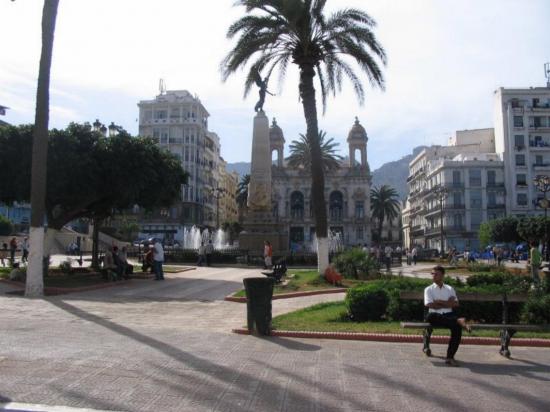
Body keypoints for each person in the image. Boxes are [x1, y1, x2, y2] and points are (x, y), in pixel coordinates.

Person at [424, 265, 470, 366]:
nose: (433, 276)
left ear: (442, 275)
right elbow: (429, 305)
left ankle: (450, 357)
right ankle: (459, 321)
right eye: (432, 274)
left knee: (457, 329)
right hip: (434, 315)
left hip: (449, 315)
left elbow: (456, 304)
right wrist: (447, 303)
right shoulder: (429, 289)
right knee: (431, 317)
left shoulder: (449, 289)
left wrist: (439, 302)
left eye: (436, 274)